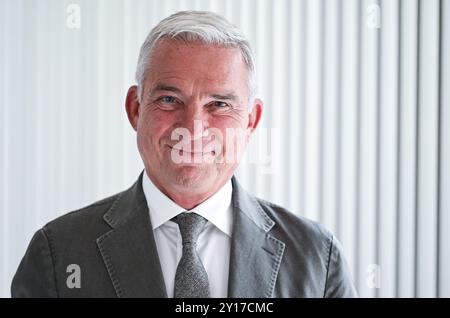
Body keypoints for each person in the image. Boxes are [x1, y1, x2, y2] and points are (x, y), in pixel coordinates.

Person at [11, 10, 357, 298]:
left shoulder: (316, 259)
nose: (193, 128)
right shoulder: (58, 255)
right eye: (169, 100)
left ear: (251, 121)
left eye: (219, 104)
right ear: (135, 108)